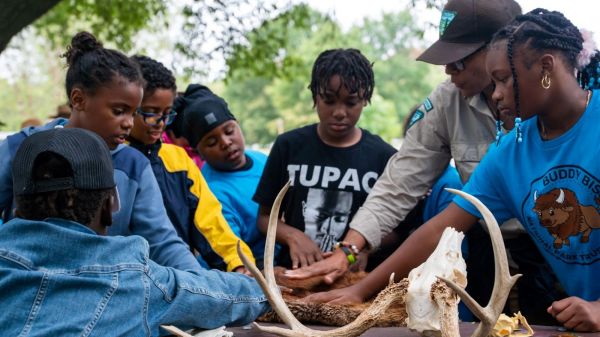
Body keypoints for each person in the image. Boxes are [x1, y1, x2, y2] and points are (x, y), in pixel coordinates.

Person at [303, 8, 600, 332]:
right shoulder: (506, 152)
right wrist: (360, 287)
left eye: (502, 78)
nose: (497, 92)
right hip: (534, 277)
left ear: (543, 66)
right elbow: (437, 224)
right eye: (494, 80)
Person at [0, 127, 269, 336]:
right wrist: (268, 288)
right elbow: (227, 294)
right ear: (110, 208)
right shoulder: (134, 279)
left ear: (16, 210)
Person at [0, 31, 200, 271]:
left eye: (133, 112)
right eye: (118, 111)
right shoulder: (20, 147)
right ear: (78, 99)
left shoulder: (134, 166)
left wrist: (200, 283)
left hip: (101, 291)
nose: (128, 123)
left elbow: (163, 242)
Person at [252, 48, 397, 269]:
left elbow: (398, 230)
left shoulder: (383, 156)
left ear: (365, 100)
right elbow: (264, 218)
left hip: (353, 282)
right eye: (329, 101)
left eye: (351, 102)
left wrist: (362, 247)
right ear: (315, 97)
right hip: (295, 275)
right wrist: (293, 237)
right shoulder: (288, 146)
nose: (339, 112)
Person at [127, 55, 255, 272]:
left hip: (184, 277)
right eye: (151, 113)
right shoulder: (113, 161)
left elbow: (211, 224)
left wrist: (239, 264)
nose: (160, 123)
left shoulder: (178, 161)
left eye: (167, 114)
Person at [178, 88, 271, 269]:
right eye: (212, 142)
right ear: (198, 152)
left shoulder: (262, 159)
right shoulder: (210, 192)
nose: (226, 142)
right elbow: (233, 257)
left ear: (238, 125)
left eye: (229, 131)